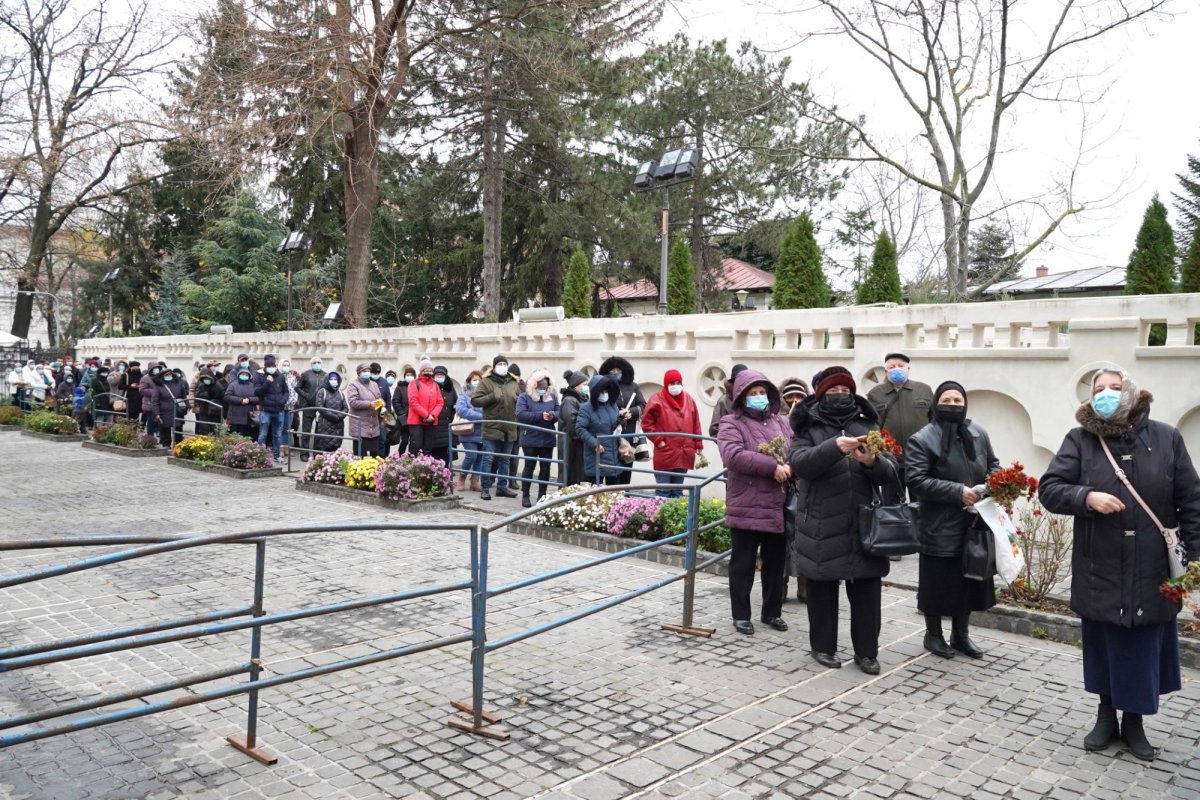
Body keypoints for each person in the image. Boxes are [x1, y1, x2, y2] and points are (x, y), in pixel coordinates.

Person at [1039, 367, 1200, 761]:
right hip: (1101, 564)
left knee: (1141, 646)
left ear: (1132, 391)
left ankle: (1134, 722)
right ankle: (1105, 715)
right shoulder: (1080, 439)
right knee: (1104, 643)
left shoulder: (1167, 438)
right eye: (1099, 389)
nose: (1107, 394)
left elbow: (1191, 500)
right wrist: (1086, 497)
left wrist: (1195, 559)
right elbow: (1050, 489)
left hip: (1151, 566)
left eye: (1115, 387)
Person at [788, 366, 896, 674]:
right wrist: (833, 447)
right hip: (821, 520)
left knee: (867, 591)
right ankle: (823, 647)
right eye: (833, 391)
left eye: (845, 391)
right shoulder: (808, 425)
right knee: (822, 587)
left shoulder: (868, 423)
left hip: (864, 522)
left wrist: (872, 461)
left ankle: (867, 652)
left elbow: (891, 470)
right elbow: (800, 463)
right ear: (821, 395)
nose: (839, 396)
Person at [905, 381, 1001, 660]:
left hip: (974, 521)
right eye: (947, 400)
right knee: (937, 583)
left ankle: (961, 635)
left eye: (958, 400)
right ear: (936, 403)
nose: (953, 405)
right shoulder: (922, 438)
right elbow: (916, 480)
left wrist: (994, 483)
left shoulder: (978, 432)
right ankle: (933, 635)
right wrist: (957, 491)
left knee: (969, 580)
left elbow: (993, 464)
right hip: (939, 524)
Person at [718, 368, 794, 636]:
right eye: (753, 393)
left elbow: (795, 449)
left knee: (775, 563)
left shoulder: (781, 422)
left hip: (777, 503)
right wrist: (772, 466)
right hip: (747, 503)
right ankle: (741, 615)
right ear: (742, 396)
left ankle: (772, 612)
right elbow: (733, 455)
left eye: (762, 392)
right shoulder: (731, 423)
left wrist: (791, 466)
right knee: (743, 564)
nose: (759, 396)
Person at [866, 353, 933, 488]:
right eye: (892, 367)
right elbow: (871, 424)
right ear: (886, 371)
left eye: (901, 366)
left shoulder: (924, 390)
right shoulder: (875, 393)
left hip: (920, 458)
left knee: (922, 497)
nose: (897, 369)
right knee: (892, 500)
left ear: (908, 369)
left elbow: (934, 421)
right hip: (890, 459)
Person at [642, 369, 703, 498]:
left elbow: (696, 423)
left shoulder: (689, 400)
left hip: (684, 452)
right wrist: (659, 440)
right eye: (672, 383)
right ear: (666, 384)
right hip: (666, 452)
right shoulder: (656, 400)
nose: (676, 386)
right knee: (663, 491)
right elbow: (646, 424)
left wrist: (698, 443)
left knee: (677, 492)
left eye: (678, 383)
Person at [472, 355, 521, 500]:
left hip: (509, 427)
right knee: (488, 458)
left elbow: (520, 400)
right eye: (499, 364)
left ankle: (502, 487)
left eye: (504, 364)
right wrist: (492, 396)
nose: (502, 366)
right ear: (494, 366)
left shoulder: (513, 382)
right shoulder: (486, 382)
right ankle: (485, 488)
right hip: (491, 427)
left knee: (505, 459)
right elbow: (475, 400)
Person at [515, 369, 560, 507]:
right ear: (534, 385)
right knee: (529, 466)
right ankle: (526, 495)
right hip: (530, 437)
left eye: (545, 388)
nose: (542, 390)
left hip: (547, 437)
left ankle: (542, 495)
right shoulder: (524, 397)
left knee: (545, 467)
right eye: (540, 387)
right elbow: (521, 414)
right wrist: (540, 415)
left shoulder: (552, 396)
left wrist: (553, 415)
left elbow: (559, 411)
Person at [598, 356, 645, 485]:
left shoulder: (633, 386)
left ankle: (625, 494)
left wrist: (632, 412)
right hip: (612, 434)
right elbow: (601, 406)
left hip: (628, 434)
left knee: (626, 469)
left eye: (618, 370)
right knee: (612, 469)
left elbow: (643, 405)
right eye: (612, 370)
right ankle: (612, 493)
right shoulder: (605, 387)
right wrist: (617, 413)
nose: (615, 372)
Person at [575, 374, 622, 486]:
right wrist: (594, 444)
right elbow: (580, 428)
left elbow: (615, 423)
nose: (604, 394)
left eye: (606, 391)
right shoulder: (586, 408)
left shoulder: (613, 405)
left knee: (613, 490)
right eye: (602, 391)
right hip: (596, 454)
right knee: (594, 490)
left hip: (613, 453)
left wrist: (621, 422)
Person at [454, 370, 486, 491]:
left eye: (478, 380)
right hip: (468, 432)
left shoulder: (485, 394)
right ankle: (462, 477)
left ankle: (474, 481)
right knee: (471, 456)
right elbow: (461, 409)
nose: (476, 382)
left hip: (483, 432)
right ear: (469, 381)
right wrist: (480, 416)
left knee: (480, 457)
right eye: (474, 380)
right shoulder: (464, 394)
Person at [558, 371, 590, 487]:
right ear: (576, 386)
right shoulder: (569, 400)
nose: (587, 387)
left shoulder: (581, 399)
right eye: (584, 384)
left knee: (575, 476)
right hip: (570, 443)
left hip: (576, 443)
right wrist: (584, 436)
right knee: (569, 477)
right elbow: (572, 422)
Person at [406, 358, 443, 457]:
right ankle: (412, 465)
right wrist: (426, 415)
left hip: (431, 421)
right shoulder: (414, 383)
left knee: (428, 448)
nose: (428, 372)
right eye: (426, 370)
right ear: (421, 371)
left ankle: (426, 466)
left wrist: (433, 415)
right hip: (416, 421)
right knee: (416, 447)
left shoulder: (435, 385)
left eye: (430, 370)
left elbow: (440, 402)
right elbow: (413, 402)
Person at [346, 362, 384, 457]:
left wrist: (381, 402)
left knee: (374, 454)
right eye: (364, 371)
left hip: (373, 425)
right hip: (359, 426)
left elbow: (379, 397)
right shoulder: (353, 385)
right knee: (360, 455)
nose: (367, 373)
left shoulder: (374, 384)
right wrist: (369, 404)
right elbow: (353, 402)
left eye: (368, 371)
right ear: (358, 373)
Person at [255, 354, 288, 460]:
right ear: (265, 366)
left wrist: (283, 400)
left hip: (279, 410)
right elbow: (257, 392)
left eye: (273, 366)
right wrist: (267, 383)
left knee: (277, 435)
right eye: (269, 366)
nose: (271, 368)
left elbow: (286, 391)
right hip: (266, 410)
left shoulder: (280, 376)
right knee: (263, 434)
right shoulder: (260, 376)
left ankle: (277, 456)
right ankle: (260, 457)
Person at [708, 363, 749, 437]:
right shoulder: (723, 401)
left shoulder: (752, 397)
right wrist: (729, 441)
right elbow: (714, 430)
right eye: (739, 380)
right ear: (733, 382)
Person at [296, 356, 325, 460]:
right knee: (306, 430)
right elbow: (297, 387)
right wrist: (306, 395)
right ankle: (304, 453)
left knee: (319, 430)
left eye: (318, 362)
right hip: (308, 405)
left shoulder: (325, 375)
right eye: (314, 363)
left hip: (320, 406)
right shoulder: (306, 374)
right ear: (311, 364)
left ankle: (317, 453)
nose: (317, 364)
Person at [427, 365, 457, 465]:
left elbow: (455, 402)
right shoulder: (430, 387)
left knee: (446, 456)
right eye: (437, 375)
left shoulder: (450, 388)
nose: (439, 376)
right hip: (434, 425)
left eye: (442, 375)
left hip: (447, 425)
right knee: (434, 457)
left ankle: (446, 472)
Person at [313, 371, 347, 453]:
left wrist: (339, 416)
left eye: (335, 379)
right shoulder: (322, 392)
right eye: (331, 379)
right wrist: (333, 417)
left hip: (338, 425)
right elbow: (320, 407)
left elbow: (345, 408)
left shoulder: (340, 393)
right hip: (325, 423)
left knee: (336, 446)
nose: (333, 381)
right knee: (323, 445)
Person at [223, 366, 261, 438]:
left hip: (248, 417)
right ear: (239, 375)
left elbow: (258, 398)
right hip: (234, 416)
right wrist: (241, 400)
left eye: (246, 375)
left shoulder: (253, 386)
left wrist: (249, 400)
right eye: (243, 374)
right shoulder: (233, 385)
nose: (244, 376)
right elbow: (227, 396)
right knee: (234, 436)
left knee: (247, 436)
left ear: (249, 376)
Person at [193, 368, 224, 435]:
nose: (206, 380)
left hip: (215, 412)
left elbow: (223, 397)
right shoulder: (201, 385)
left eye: (207, 378)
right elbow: (197, 396)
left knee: (215, 431)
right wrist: (207, 394)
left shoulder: (218, 386)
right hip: (204, 412)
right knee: (204, 430)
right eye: (204, 378)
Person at [393, 365, 416, 456]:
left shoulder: (417, 386)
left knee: (414, 442)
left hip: (415, 419)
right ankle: (399, 458)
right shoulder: (400, 387)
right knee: (404, 441)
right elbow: (395, 401)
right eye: (407, 375)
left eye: (411, 375)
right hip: (404, 420)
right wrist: (402, 414)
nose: (409, 376)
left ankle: (411, 458)